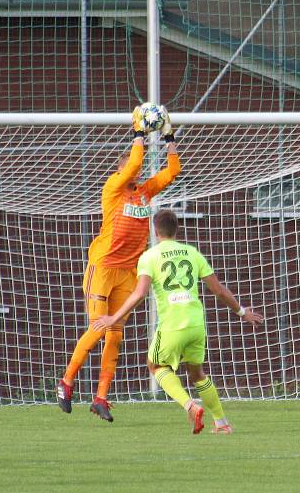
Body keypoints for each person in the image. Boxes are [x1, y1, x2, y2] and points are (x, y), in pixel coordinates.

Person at [57, 106, 181, 421]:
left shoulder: (142, 192)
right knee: (99, 329)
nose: (134, 169)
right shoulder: (113, 188)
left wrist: (168, 137)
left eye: (134, 166)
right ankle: (66, 381)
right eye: (128, 164)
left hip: (127, 271)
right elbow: (136, 160)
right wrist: (139, 131)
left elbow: (172, 172)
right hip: (102, 268)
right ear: (120, 168)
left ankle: (101, 397)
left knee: (115, 334)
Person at [92, 209, 263, 434]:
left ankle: (190, 405)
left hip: (173, 323)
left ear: (155, 230)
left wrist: (113, 317)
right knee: (197, 373)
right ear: (177, 230)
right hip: (196, 323)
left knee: (155, 365)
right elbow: (219, 291)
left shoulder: (149, 256)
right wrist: (242, 312)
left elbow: (139, 293)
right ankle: (222, 423)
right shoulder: (192, 253)